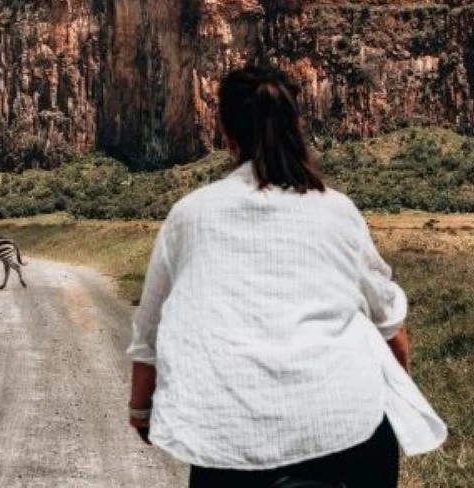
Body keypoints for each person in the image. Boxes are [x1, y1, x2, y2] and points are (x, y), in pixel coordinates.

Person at [127, 66, 447, 487]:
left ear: (228, 136)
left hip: (232, 438)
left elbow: (150, 333)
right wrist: (397, 390)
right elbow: (390, 326)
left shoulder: (190, 214)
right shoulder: (337, 209)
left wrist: (141, 412)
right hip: (350, 431)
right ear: (295, 126)